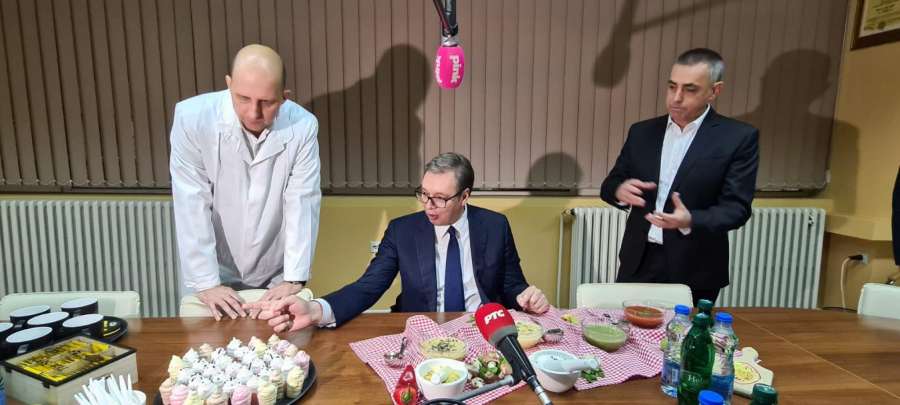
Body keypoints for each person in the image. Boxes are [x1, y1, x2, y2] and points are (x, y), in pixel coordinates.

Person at [244, 153, 550, 331]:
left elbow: (512, 285)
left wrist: (526, 297)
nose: (428, 206)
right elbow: (369, 286)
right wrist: (315, 310)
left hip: (483, 328)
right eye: (424, 194)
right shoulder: (402, 231)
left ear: (464, 196)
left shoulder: (495, 226)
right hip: (425, 329)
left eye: (440, 198)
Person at [170, 44, 321, 321]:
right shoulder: (192, 118)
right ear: (229, 85)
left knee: (275, 342)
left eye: (267, 102)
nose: (253, 113)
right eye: (243, 98)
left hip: (274, 266)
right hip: (212, 264)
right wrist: (206, 282)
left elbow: (302, 200)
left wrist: (294, 277)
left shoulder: (303, 126)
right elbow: (191, 200)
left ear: (284, 98)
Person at [599, 48, 759, 306]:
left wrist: (690, 220)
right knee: (626, 330)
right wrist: (619, 191)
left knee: (686, 333)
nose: (676, 98)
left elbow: (737, 209)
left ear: (714, 91)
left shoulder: (737, 138)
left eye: (690, 89)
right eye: (672, 86)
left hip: (696, 266)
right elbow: (610, 185)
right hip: (638, 262)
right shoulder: (642, 132)